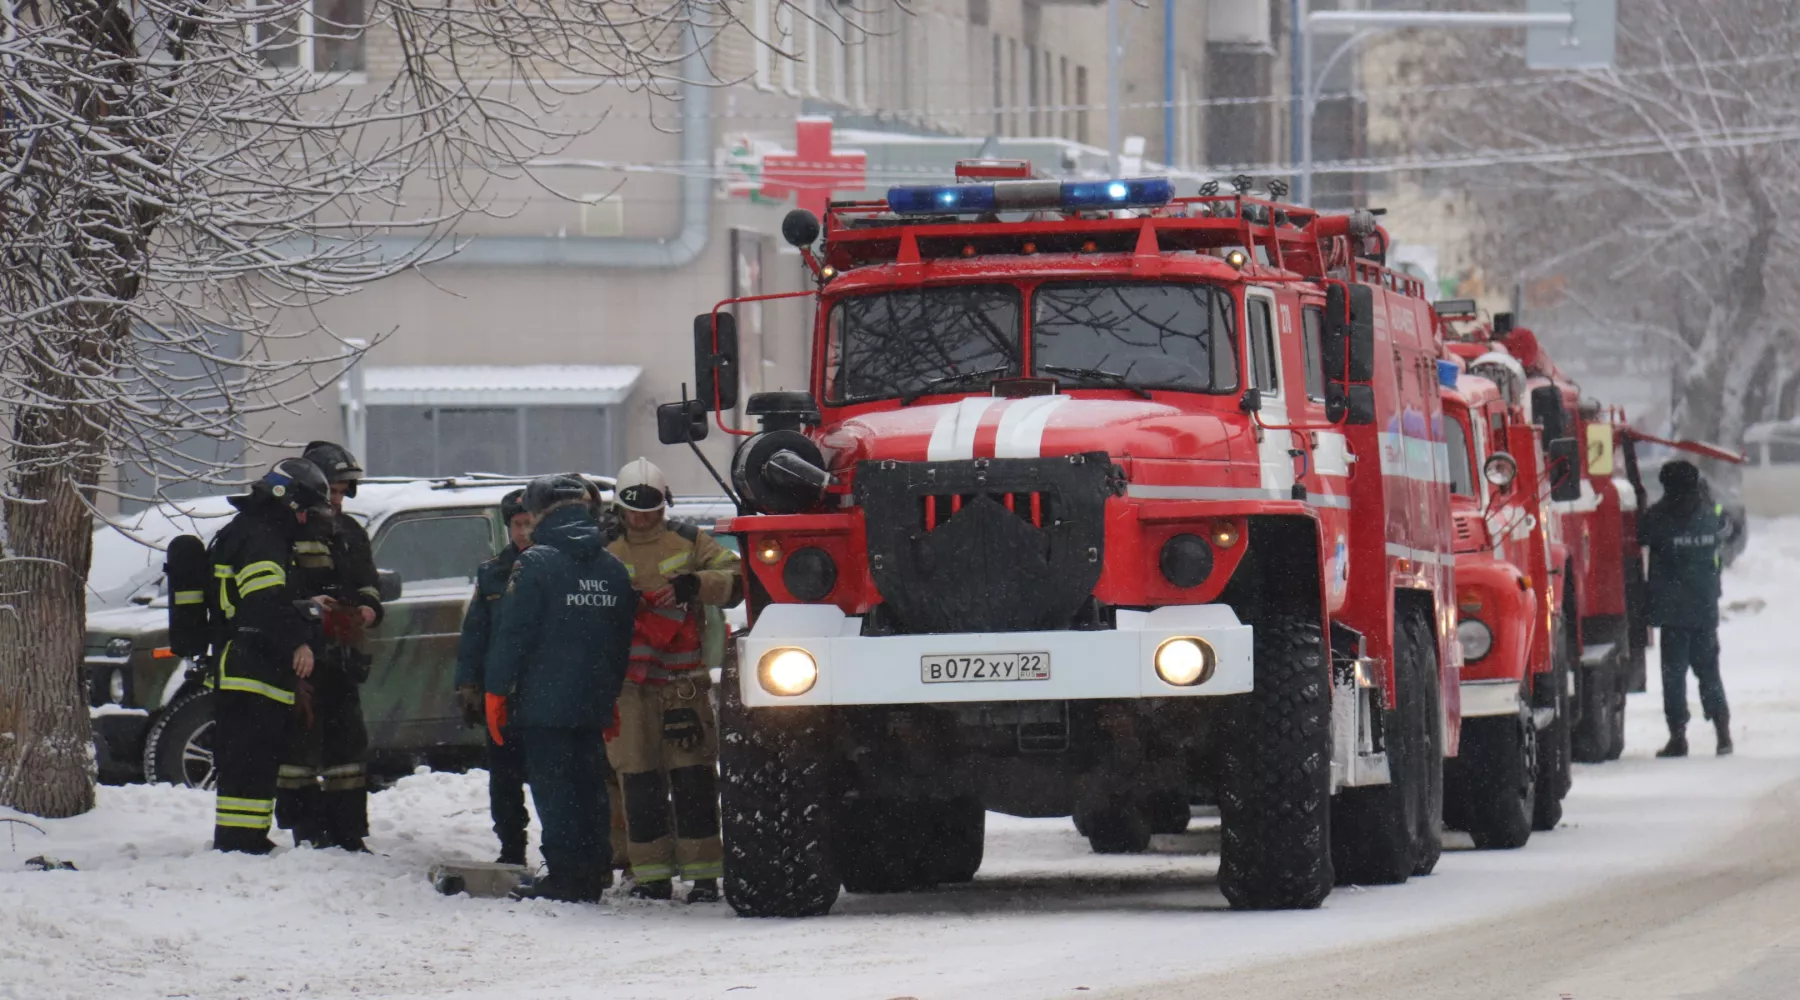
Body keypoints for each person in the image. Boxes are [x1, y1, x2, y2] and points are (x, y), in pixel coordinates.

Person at [486, 474, 635, 902]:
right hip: (593, 699)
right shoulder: (612, 568)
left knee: (555, 786)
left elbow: (513, 635)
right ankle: (592, 871)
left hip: (544, 702)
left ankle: (566, 876)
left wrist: (496, 691)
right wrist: (611, 696)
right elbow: (620, 638)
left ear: (539, 512)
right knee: (590, 783)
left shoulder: (536, 563)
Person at [605, 458, 741, 903]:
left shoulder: (686, 540)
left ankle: (705, 876)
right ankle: (651, 876)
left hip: (683, 683)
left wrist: (692, 586)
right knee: (638, 780)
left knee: (693, 779)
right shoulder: (606, 549)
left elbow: (737, 576)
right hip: (627, 688)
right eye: (635, 510)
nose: (643, 518)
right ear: (619, 509)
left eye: (651, 509)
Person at [207, 459, 331, 853]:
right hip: (251, 671)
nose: (304, 519)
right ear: (289, 502)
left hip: (247, 666)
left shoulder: (251, 531)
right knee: (250, 762)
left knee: (251, 762)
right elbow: (261, 604)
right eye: (304, 510)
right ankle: (242, 842)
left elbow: (262, 601)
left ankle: (245, 838)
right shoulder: (262, 538)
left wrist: (305, 605)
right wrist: (298, 640)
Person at [275, 441, 384, 851]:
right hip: (302, 659)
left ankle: (348, 829)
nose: (337, 500)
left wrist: (367, 610)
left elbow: (368, 584)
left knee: (349, 749)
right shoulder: (290, 531)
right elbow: (282, 593)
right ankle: (305, 828)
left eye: (342, 492)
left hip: (343, 657)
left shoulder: (352, 533)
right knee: (299, 748)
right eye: (331, 491)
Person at [454, 489, 533, 865]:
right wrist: (468, 684)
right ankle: (511, 846)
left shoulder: (551, 567)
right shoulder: (493, 573)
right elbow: (475, 634)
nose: (523, 532)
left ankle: (560, 849)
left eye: (529, 523)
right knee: (503, 778)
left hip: (541, 689)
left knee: (549, 776)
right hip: (500, 691)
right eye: (517, 525)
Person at [1639, 460, 1731, 757]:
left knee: (1674, 675)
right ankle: (1722, 733)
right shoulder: (1710, 515)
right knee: (1709, 671)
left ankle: (1678, 737)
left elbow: (1639, 535)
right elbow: (1728, 528)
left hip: (1673, 611)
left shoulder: (1658, 518)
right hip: (1705, 607)